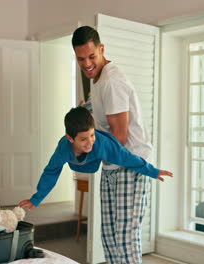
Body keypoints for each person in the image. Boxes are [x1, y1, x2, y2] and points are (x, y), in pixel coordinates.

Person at [71, 26, 158, 264]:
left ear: (102, 49)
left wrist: (85, 150)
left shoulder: (111, 81)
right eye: (81, 59)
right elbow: (102, 116)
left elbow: (119, 136)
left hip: (130, 165)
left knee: (125, 238)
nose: (87, 63)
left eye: (91, 56)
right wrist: (85, 110)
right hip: (112, 167)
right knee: (109, 238)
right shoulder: (97, 80)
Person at [17, 106, 172, 216]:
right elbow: (51, 172)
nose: (89, 142)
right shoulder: (63, 149)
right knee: (83, 113)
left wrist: (153, 171)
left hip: (99, 154)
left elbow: (127, 158)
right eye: (83, 139)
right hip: (79, 162)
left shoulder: (101, 144)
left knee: (111, 148)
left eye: (91, 135)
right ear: (70, 138)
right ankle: (86, 105)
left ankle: (88, 105)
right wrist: (36, 199)